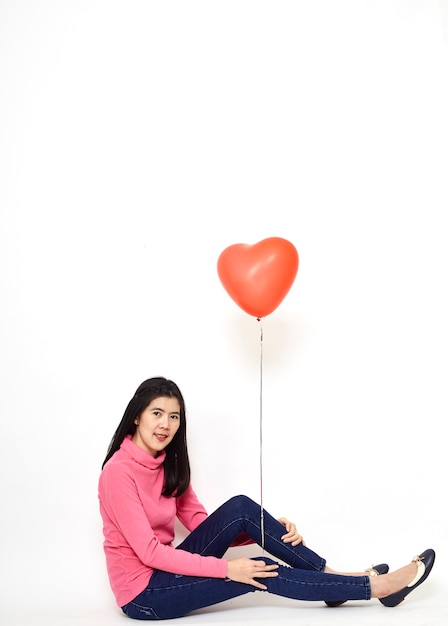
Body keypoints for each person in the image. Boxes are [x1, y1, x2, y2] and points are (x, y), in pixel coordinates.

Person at [98, 376, 435, 620]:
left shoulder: (169, 463)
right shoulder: (118, 472)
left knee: (242, 507)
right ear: (137, 415)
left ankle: (336, 580)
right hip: (144, 595)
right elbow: (149, 552)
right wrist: (228, 570)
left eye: (173, 416)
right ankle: (378, 588)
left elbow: (204, 525)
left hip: (166, 572)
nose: (165, 424)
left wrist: (268, 530)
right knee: (262, 572)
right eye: (157, 413)